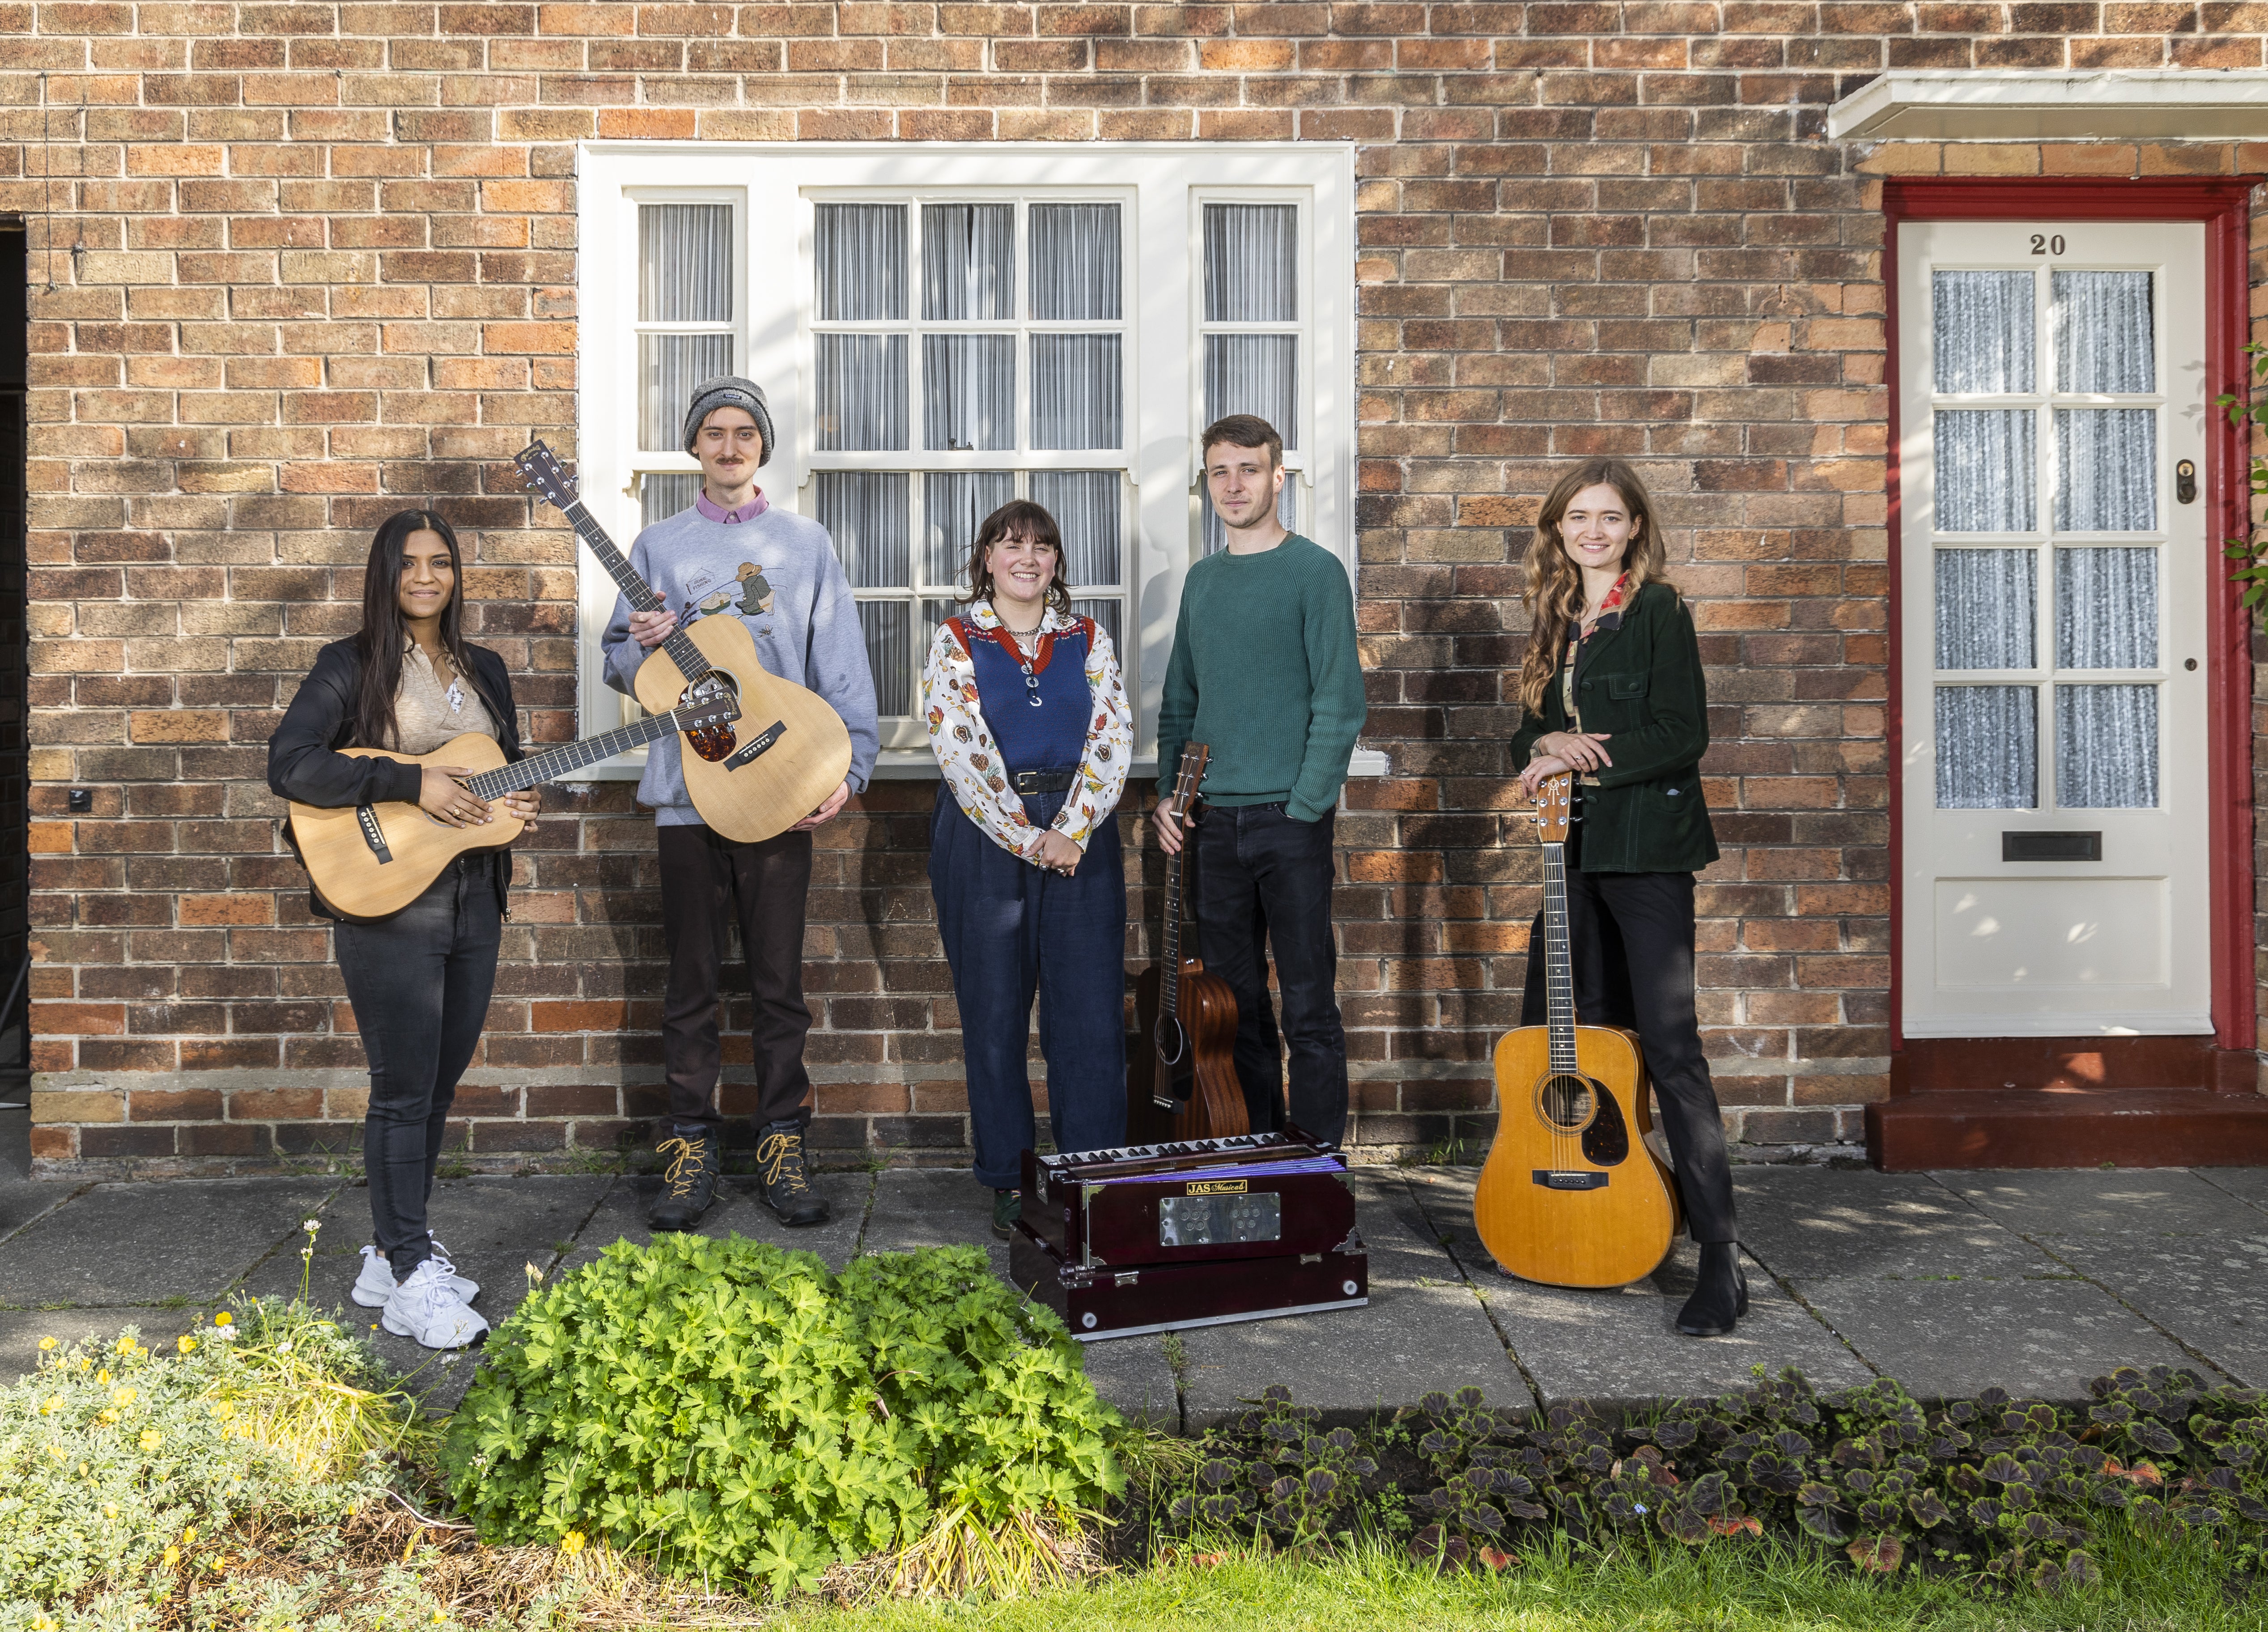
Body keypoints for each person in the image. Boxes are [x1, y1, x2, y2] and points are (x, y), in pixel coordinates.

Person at [602, 376, 879, 1233]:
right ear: (695, 448)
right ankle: (688, 1147)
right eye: (714, 433)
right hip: (690, 799)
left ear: (763, 446)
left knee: (777, 985)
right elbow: (621, 665)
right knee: (688, 986)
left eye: (744, 433)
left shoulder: (803, 545)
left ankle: (783, 1143)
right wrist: (644, 645)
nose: (730, 446)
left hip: (781, 794)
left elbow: (839, 663)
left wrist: (851, 770)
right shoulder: (656, 546)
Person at [268, 510, 538, 1351]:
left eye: (442, 563)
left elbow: (501, 773)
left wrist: (515, 805)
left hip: (471, 898)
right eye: (411, 563)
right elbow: (291, 763)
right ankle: (412, 1273)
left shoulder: (485, 668)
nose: (427, 576)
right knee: (402, 1089)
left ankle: (391, 1257)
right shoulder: (349, 665)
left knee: (441, 1083)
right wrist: (411, 781)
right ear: (385, 573)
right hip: (388, 900)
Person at [1507, 458, 1743, 1338]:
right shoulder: (1556, 616)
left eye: (1610, 517)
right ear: (1558, 528)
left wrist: (1577, 755)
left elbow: (1685, 733)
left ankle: (1719, 1259)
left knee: (1671, 1048)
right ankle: (1594, 1215)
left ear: (1636, 526)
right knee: (1570, 1035)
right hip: (1568, 852)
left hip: (1647, 850)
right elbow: (1527, 733)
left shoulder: (1657, 610)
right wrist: (1548, 743)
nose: (1593, 531)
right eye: (1579, 518)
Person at [1153, 414, 1367, 1147]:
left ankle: (1314, 1161)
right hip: (1210, 824)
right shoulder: (1203, 582)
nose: (1233, 485)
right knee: (1232, 1007)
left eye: (1248, 470)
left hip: (1289, 820)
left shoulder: (1313, 572)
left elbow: (1340, 701)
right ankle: (1256, 1149)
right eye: (1219, 472)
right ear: (1206, 482)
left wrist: (1307, 804)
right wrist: (1170, 801)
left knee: (1308, 1005)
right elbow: (1181, 701)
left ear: (1279, 477)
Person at [921, 501, 1133, 1239]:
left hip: (1083, 840)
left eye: (1042, 547)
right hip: (984, 845)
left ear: (1056, 562)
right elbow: (960, 750)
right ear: (986, 559)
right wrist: (1026, 836)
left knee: (1089, 1018)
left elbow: (1112, 733)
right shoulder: (953, 642)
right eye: (1012, 546)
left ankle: (1092, 1173)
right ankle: (1010, 1180)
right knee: (995, 1016)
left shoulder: (1087, 639)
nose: (1027, 558)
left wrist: (1071, 830)